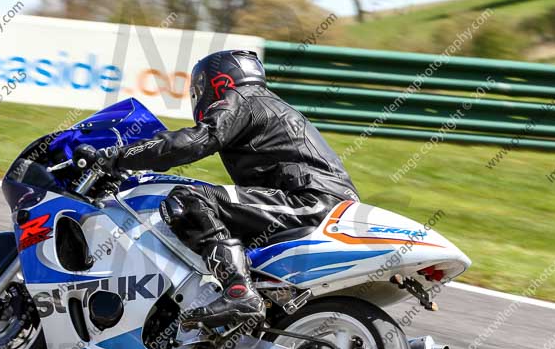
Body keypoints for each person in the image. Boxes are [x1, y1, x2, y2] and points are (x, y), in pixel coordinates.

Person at [98, 50, 359, 329]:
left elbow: (196, 141)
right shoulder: (270, 105)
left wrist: (118, 156)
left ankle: (239, 292)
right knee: (228, 214)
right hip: (324, 203)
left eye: (202, 88)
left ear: (219, 82)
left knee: (190, 200)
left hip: (310, 200)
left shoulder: (243, 98)